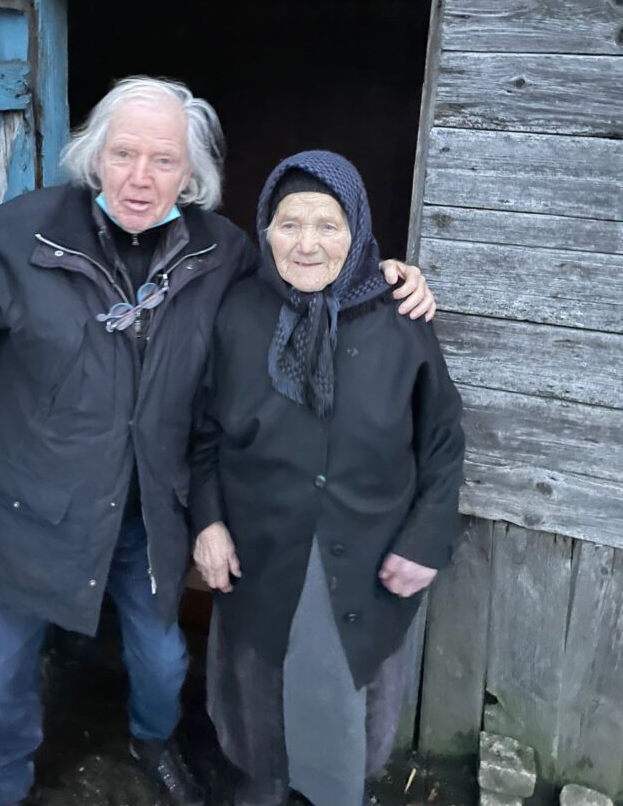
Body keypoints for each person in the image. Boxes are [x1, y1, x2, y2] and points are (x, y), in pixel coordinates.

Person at [0, 80, 436, 806]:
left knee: (163, 663)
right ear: (94, 156)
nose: (140, 176)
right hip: (28, 508)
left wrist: (379, 280)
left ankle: (152, 741)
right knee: (4, 677)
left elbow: (304, 283)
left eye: (163, 160)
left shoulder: (222, 253)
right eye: (123, 153)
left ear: (191, 175)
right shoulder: (23, 233)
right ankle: (5, 782)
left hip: (148, 510)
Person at [190, 150, 465, 806]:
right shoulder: (236, 314)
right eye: (289, 224)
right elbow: (201, 436)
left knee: (348, 721)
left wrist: (425, 542)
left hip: (368, 562)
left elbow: (444, 441)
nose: (307, 244)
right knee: (259, 715)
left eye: (328, 225)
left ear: (360, 230)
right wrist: (207, 522)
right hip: (259, 559)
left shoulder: (402, 320)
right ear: (264, 229)